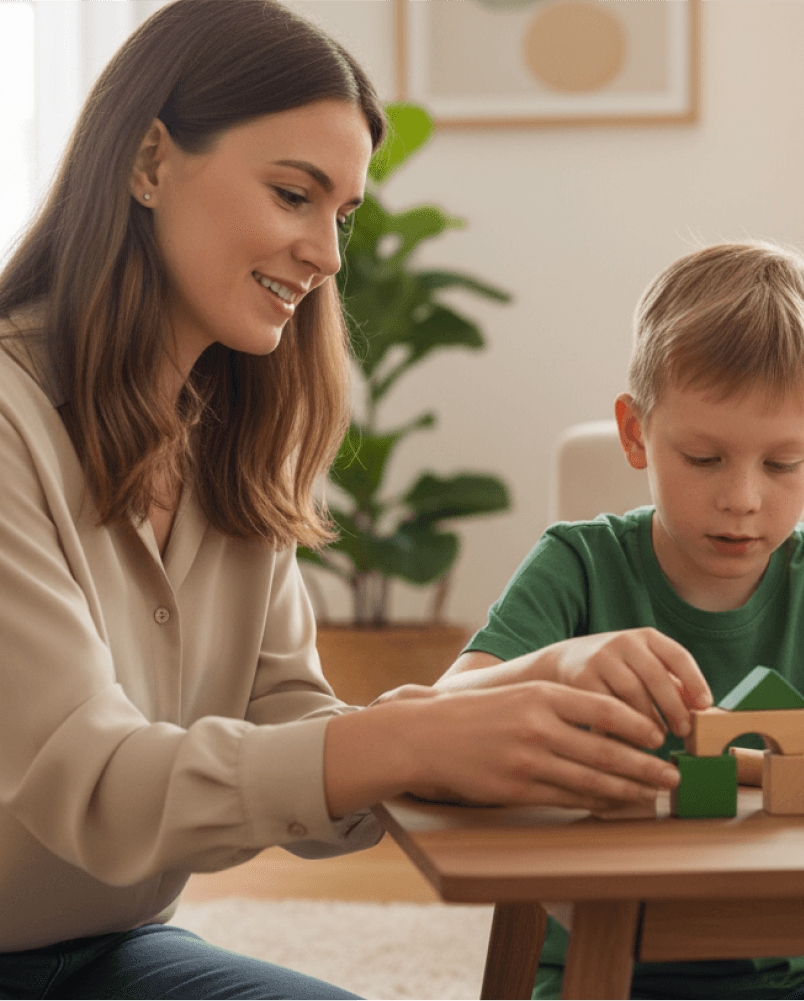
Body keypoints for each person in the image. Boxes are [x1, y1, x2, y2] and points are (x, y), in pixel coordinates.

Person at [0, 2, 681, 998]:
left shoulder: (230, 440)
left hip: (109, 952)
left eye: (342, 216)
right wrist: (415, 735)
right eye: (292, 194)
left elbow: (299, 733)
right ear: (149, 162)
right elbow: (96, 783)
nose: (326, 254)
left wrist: (524, 685)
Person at [436, 241, 804, 1000]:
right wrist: (556, 665)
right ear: (635, 432)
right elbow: (437, 715)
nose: (742, 498)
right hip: (605, 963)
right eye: (704, 458)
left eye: (781, 465)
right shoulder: (579, 566)